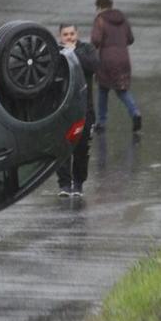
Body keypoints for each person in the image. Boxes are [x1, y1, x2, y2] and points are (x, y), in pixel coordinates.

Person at [56, 24, 98, 197]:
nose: (69, 37)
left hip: (84, 109)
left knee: (81, 149)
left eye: (72, 34)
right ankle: (65, 184)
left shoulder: (86, 49)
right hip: (62, 110)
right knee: (62, 148)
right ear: (60, 37)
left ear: (77, 34)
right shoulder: (56, 52)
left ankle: (78, 183)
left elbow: (93, 66)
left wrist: (73, 53)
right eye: (65, 35)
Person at [90, 0, 142, 132]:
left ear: (100, 6)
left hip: (107, 60)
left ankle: (101, 123)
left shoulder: (100, 19)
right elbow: (130, 39)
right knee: (122, 89)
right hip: (123, 58)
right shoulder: (123, 19)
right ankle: (135, 112)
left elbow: (95, 40)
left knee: (103, 90)